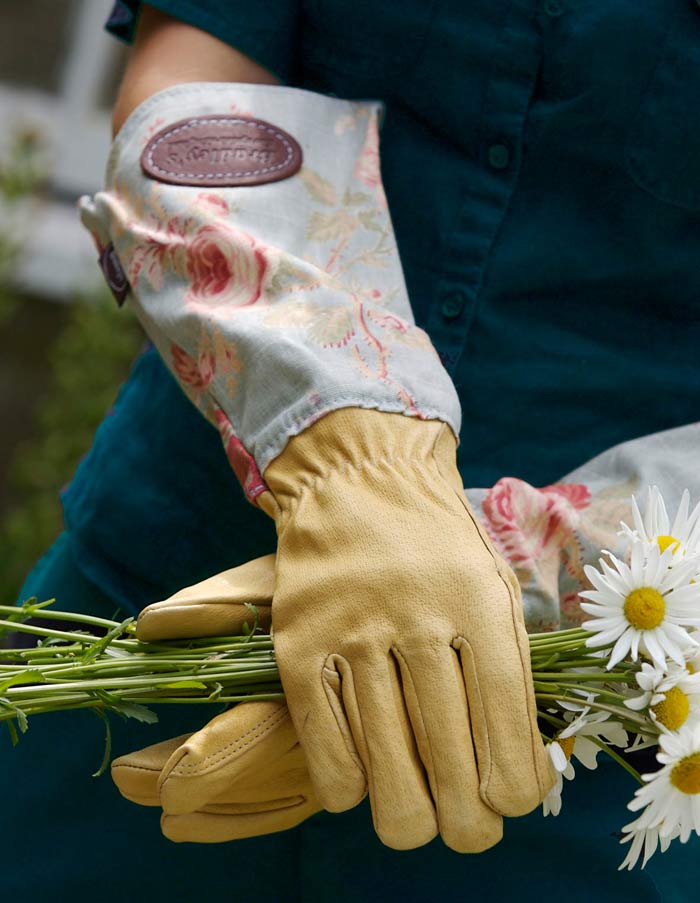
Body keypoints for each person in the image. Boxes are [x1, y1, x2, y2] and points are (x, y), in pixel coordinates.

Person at [4, 1, 700, 900]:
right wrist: (355, 463)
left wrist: (522, 576)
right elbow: (192, 82)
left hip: (579, 745)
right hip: (171, 601)